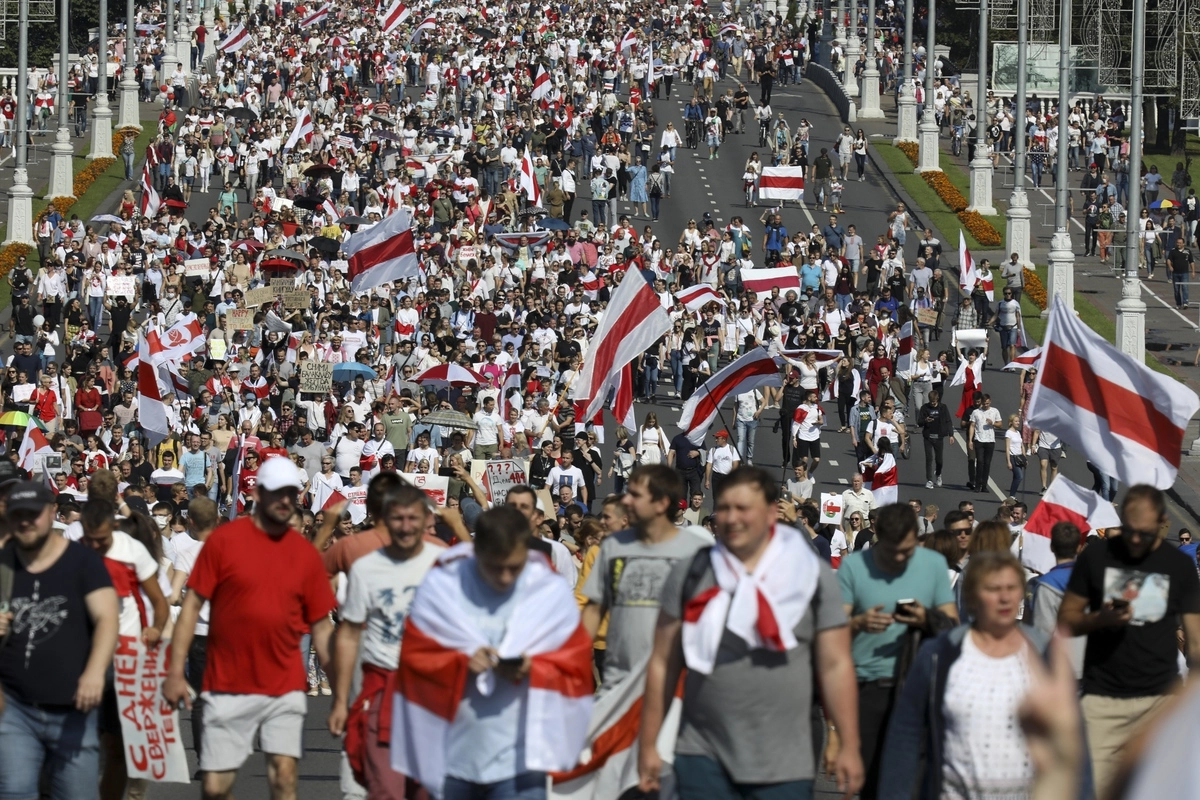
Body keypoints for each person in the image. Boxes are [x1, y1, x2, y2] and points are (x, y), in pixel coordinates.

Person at [637, 467, 865, 799]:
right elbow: (662, 663)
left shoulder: (811, 576)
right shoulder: (691, 572)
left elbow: (835, 665)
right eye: (725, 508)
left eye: (743, 508)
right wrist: (648, 744)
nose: (731, 518)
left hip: (784, 764)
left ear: (772, 512)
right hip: (702, 756)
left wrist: (846, 741)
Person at [163, 456, 338, 800]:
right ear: (258, 493)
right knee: (215, 785)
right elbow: (191, 608)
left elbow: (321, 628)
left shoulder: (304, 555)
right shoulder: (223, 543)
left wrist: (343, 694)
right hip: (226, 678)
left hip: (283, 680)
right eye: (277, 492)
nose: (285, 500)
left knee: (284, 776)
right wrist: (174, 671)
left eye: (291, 492)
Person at [389, 506, 593, 800]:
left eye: (515, 567)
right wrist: (459, 662)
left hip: (523, 758)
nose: (507, 577)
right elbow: (414, 657)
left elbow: (574, 660)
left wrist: (532, 667)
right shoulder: (442, 585)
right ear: (476, 552)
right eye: (496, 567)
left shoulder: (548, 591)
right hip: (452, 756)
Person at [878, 550, 1091, 799]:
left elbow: (1073, 742)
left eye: (1012, 588)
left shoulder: (1045, 655)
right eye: (993, 588)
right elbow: (906, 735)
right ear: (971, 597)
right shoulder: (939, 654)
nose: (1004, 598)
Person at [1057, 484, 1200, 797]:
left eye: (1145, 532)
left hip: (1159, 701)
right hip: (1103, 698)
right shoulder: (1096, 556)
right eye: (1131, 529)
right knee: (1094, 789)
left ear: (1163, 522)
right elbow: (1067, 618)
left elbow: (1196, 642)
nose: (1136, 540)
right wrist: (1100, 619)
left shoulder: (1179, 566)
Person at [0, 482, 119, 800]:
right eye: (17, 514)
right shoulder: (3, 563)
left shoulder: (82, 561)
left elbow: (108, 618)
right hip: (15, 709)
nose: (25, 521)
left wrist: (95, 672)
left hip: (73, 710)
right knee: (14, 791)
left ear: (51, 513)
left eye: (33, 514)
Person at [327, 485, 443, 799]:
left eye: (413, 518)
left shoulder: (445, 562)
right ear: (385, 521)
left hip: (431, 693)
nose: (405, 526)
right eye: (398, 518)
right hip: (382, 689)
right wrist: (340, 700)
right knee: (385, 790)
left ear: (424, 520)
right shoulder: (366, 568)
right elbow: (349, 635)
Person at [838, 503, 959, 799]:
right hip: (867, 687)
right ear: (877, 537)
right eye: (893, 552)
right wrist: (859, 623)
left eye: (908, 550)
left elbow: (952, 626)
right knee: (870, 781)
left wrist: (925, 618)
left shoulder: (932, 565)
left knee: (911, 782)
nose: (901, 558)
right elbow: (833, 630)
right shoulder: (855, 566)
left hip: (915, 685)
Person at [581, 464, 709, 691]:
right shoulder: (612, 546)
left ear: (661, 503)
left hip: (675, 685)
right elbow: (593, 609)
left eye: (635, 495)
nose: (626, 501)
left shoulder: (695, 551)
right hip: (618, 682)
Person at [1027, 521, 1087, 678]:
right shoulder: (1092, 578)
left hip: (1060, 669)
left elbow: (1042, 632)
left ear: (1052, 547)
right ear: (1079, 548)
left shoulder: (1046, 584)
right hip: (1090, 666)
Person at [915, 388, 952, 489]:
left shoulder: (943, 408)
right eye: (931, 402)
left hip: (939, 437)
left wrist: (951, 435)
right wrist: (926, 420)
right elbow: (919, 422)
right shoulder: (924, 408)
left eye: (934, 402)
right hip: (928, 436)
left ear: (937, 399)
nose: (933, 404)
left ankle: (938, 474)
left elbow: (948, 421)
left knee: (939, 460)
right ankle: (929, 480)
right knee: (929, 458)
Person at [704, 430, 740, 507]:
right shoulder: (713, 450)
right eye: (716, 438)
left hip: (728, 477)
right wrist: (707, 480)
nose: (716, 440)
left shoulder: (731, 449)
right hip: (716, 476)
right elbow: (709, 465)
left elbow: (735, 464)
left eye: (718, 438)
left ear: (724, 439)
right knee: (716, 498)